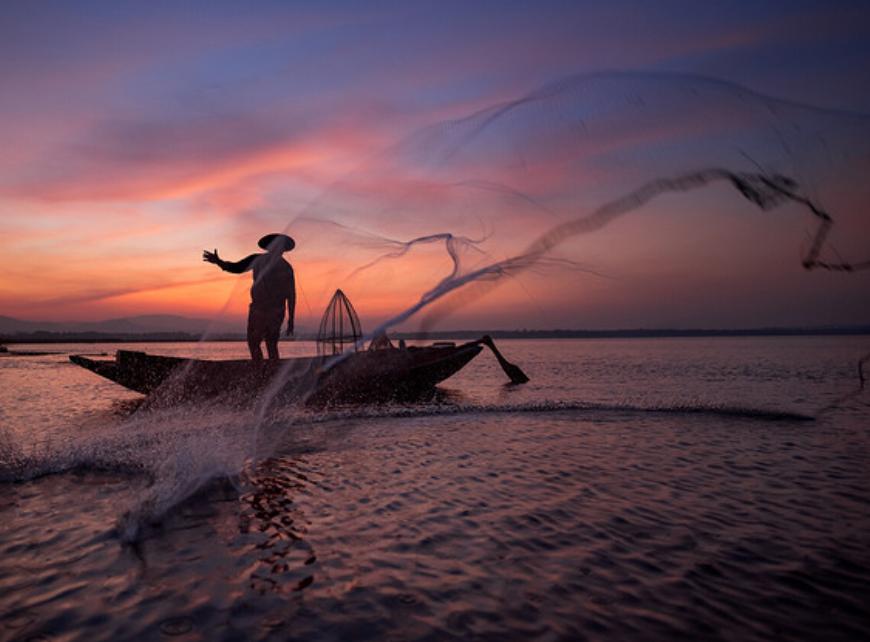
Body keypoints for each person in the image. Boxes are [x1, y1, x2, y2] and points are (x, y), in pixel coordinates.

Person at [203, 233, 296, 361]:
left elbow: (291, 295)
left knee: (268, 343)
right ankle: (261, 369)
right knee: (257, 343)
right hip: (260, 309)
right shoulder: (259, 260)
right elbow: (237, 267)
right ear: (270, 247)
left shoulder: (286, 268)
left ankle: (268, 370)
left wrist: (291, 320)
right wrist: (219, 262)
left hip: (274, 311)